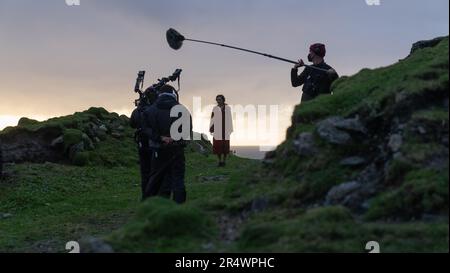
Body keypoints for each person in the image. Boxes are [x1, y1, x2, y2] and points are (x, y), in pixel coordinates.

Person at [143, 84, 192, 204]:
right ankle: (178, 207)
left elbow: (145, 128)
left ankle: (153, 206)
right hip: (177, 149)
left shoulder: (150, 110)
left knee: (157, 178)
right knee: (178, 178)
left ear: (159, 94)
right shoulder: (183, 110)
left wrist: (160, 138)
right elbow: (187, 131)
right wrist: (175, 138)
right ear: (174, 94)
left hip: (158, 149)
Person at [209, 95, 233, 167]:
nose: (218, 101)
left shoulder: (227, 108)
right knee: (217, 145)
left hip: (225, 129)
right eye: (217, 100)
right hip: (217, 129)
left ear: (223, 100)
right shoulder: (215, 108)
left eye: (219, 99)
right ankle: (220, 161)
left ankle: (224, 161)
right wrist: (211, 128)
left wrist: (230, 129)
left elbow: (229, 118)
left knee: (225, 145)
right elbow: (212, 118)